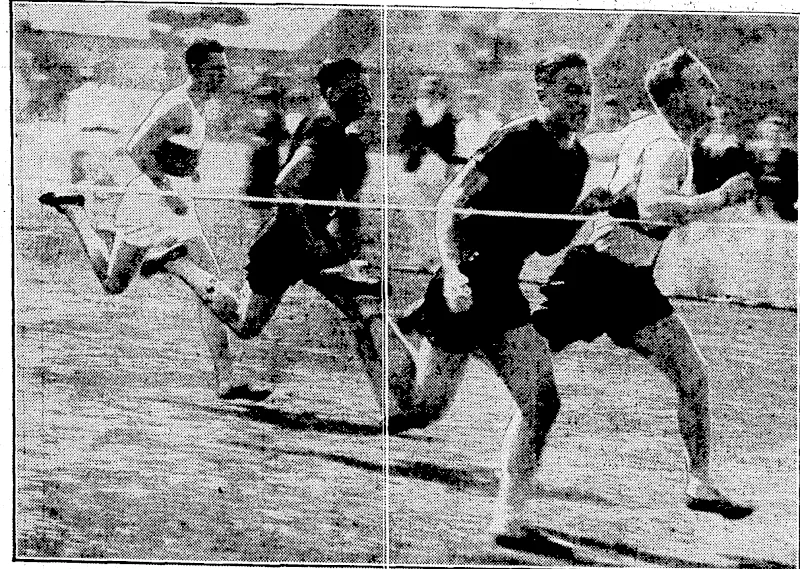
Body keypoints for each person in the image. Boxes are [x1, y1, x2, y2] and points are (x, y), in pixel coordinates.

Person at [531, 48, 755, 520]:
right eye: (700, 84)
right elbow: (655, 206)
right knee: (518, 358)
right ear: (675, 98)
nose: (712, 92)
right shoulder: (668, 146)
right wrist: (722, 197)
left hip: (632, 283)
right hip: (593, 278)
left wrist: (609, 188)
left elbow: (596, 148)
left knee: (692, 373)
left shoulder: (644, 129)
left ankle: (700, 484)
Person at [390, 48, 594, 538]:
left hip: (502, 290)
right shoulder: (516, 139)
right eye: (570, 90)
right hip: (466, 282)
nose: (582, 101)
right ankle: (380, 329)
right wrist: (453, 272)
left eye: (586, 91)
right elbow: (448, 206)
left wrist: (586, 210)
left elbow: (548, 242)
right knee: (421, 411)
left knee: (542, 401)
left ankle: (509, 518)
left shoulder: (578, 159)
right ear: (543, 94)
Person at [142, 58, 398, 420]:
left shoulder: (342, 133)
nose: (364, 92)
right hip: (284, 243)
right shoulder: (323, 129)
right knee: (247, 325)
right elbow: (285, 184)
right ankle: (180, 264)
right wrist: (312, 238)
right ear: (331, 93)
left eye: (364, 84)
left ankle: (393, 406)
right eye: (353, 87)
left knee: (360, 305)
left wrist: (342, 239)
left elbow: (336, 196)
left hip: (312, 242)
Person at [38, 39, 265, 401]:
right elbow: (137, 149)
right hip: (148, 200)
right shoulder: (177, 105)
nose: (222, 75)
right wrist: (166, 188)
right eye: (214, 69)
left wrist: (187, 183)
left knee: (210, 280)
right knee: (114, 283)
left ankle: (226, 378)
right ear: (194, 70)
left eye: (224, 68)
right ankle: (78, 212)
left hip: (177, 201)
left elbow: (180, 155)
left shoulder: (202, 106)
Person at [397, 76, 467, 271]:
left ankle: (437, 259)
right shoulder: (412, 115)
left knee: (436, 216)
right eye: (426, 89)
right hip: (415, 171)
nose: (430, 93)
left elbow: (452, 145)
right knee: (415, 216)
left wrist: (439, 158)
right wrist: (419, 152)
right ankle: (420, 257)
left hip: (440, 172)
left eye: (433, 90)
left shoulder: (448, 117)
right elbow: (403, 142)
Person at [242, 86, 289, 211]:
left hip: (268, 156)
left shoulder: (277, 115)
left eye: (263, 99)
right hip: (258, 155)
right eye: (259, 99)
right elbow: (248, 132)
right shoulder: (260, 115)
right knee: (255, 180)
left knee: (265, 183)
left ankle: (264, 209)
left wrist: (265, 142)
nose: (260, 102)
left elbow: (281, 136)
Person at [746, 115, 798, 221]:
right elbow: (750, 173)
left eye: (777, 132)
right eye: (770, 130)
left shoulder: (790, 153)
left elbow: (793, 176)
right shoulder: (753, 150)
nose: (774, 133)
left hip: (783, 194)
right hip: (757, 190)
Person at [455, 88, 502, 159]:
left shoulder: (489, 116)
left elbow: (499, 133)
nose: (471, 103)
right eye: (467, 100)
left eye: (474, 99)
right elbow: (465, 152)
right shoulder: (461, 126)